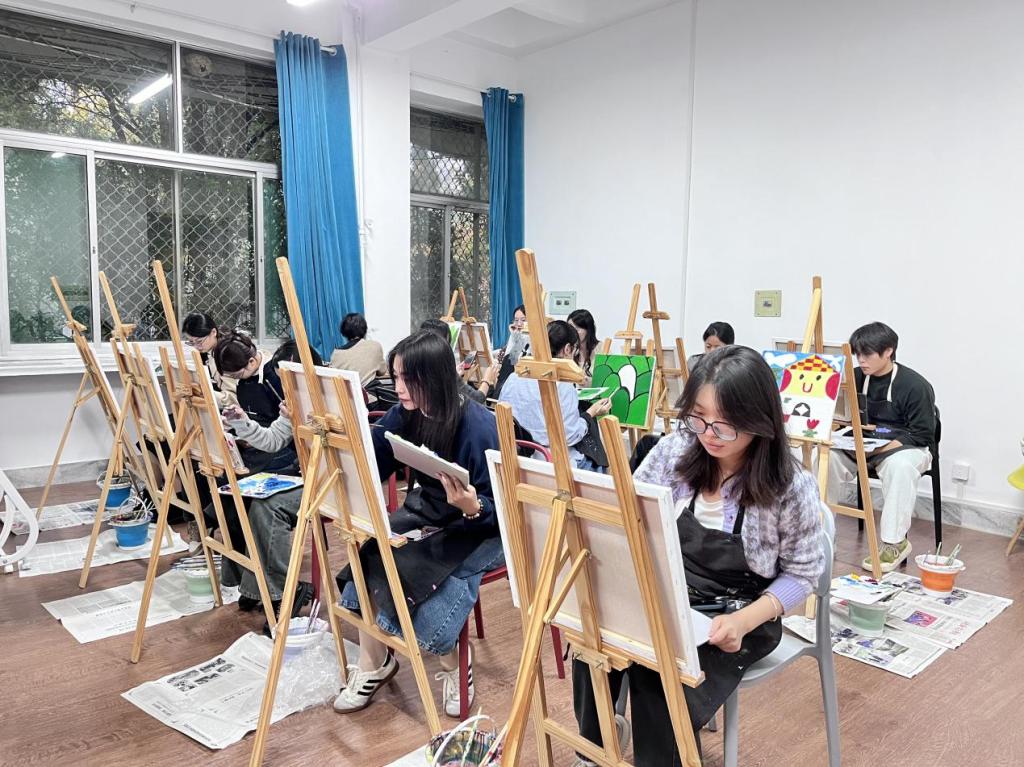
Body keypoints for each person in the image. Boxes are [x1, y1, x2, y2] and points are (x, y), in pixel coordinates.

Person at [572, 345, 825, 766]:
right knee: (591, 637)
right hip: (670, 589)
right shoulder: (675, 450)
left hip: (740, 609)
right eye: (698, 416)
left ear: (759, 420)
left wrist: (743, 622)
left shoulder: (789, 484)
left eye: (724, 424)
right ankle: (595, 749)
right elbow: (629, 511)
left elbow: (803, 575)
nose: (708, 433)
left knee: (660, 675)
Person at [230, 331, 502, 717]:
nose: (398, 388)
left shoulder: (478, 426)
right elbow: (373, 457)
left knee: (424, 575)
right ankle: (375, 664)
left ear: (435, 378)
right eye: (396, 377)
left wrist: (473, 507)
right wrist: (332, 435)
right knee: (371, 554)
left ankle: (455, 664)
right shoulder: (406, 412)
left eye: (408, 379)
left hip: (481, 527)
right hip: (430, 509)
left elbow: (503, 509)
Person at [829, 322, 935, 572]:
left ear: (888, 351)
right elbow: (841, 416)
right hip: (861, 443)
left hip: (905, 446)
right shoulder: (853, 378)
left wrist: (879, 450)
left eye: (867, 354)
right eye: (857, 354)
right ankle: (822, 535)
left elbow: (923, 434)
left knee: (900, 467)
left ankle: (894, 542)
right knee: (824, 459)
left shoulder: (915, 385)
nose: (861, 360)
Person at [499, 320, 610, 471]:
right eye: (575, 350)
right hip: (552, 463)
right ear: (567, 349)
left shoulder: (514, 377)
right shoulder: (562, 384)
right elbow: (570, 436)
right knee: (598, 461)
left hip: (517, 457)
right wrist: (591, 413)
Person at [419, 318, 499, 404]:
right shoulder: (445, 372)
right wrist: (487, 380)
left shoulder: (417, 360)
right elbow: (477, 399)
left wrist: (456, 373)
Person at [182, 311, 236, 408]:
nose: (196, 347)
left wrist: (204, 393)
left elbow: (233, 399)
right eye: (191, 342)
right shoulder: (207, 352)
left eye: (199, 341)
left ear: (214, 332)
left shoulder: (227, 354)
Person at [330, 312, 387, 386]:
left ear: (343, 332)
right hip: (369, 393)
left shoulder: (336, 354)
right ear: (364, 329)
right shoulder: (375, 346)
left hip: (347, 393)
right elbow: (382, 371)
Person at [568, 309, 599, 386]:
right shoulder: (567, 349)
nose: (573, 333)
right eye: (570, 328)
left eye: (577, 329)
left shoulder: (601, 349)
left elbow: (604, 381)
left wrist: (586, 381)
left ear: (588, 330)